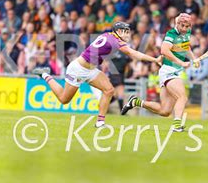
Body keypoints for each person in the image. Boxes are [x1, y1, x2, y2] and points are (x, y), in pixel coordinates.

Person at [33, 22, 162, 128]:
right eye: (124, 31)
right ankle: (45, 74)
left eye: (127, 31)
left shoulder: (109, 35)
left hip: (91, 70)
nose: (127, 33)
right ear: (117, 31)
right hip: (78, 70)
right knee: (64, 99)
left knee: (109, 90)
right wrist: (155, 59)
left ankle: (100, 122)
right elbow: (134, 54)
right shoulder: (115, 41)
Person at [121, 13, 196, 132]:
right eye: (183, 26)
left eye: (187, 26)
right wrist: (181, 63)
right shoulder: (171, 34)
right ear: (177, 24)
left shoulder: (186, 32)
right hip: (169, 70)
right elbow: (164, 50)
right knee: (182, 97)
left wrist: (193, 58)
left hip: (174, 71)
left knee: (164, 111)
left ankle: (135, 102)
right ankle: (177, 126)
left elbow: (186, 47)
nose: (185, 29)